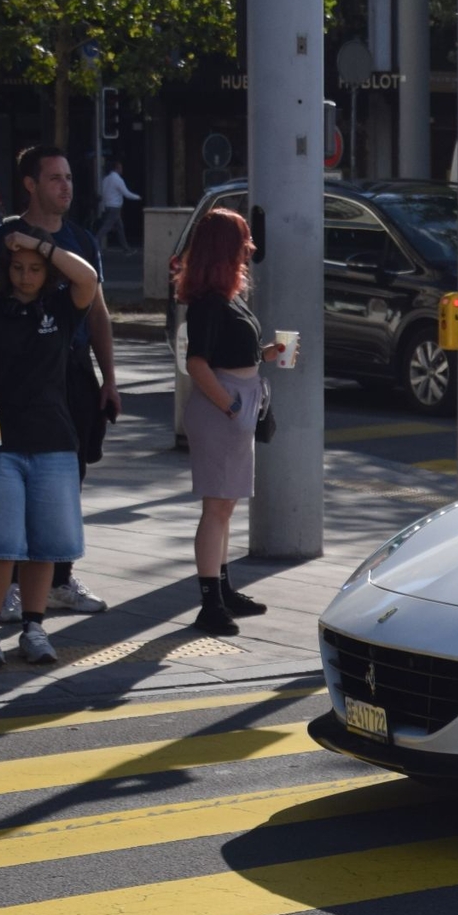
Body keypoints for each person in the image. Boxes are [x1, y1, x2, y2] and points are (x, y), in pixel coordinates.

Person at [0, 145, 119, 618]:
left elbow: (99, 311)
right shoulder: (1, 241)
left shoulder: (82, 240)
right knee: (6, 484)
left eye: (69, 178)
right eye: (54, 179)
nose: (66, 186)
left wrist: (108, 377)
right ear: (30, 184)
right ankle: (6, 590)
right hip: (18, 377)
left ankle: (58, 581)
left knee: (65, 481)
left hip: (71, 373)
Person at [0, 219, 102, 667]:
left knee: (45, 546)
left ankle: (34, 629)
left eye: (34, 268)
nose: (25, 276)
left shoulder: (61, 306)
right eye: (17, 267)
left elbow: (89, 278)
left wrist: (39, 243)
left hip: (54, 441)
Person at [174, 208, 290, 635]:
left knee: (225, 505)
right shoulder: (207, 303)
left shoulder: (227, 297)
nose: (251, 247)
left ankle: (222, 590)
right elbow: (198, 363)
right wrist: (230, 406)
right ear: (225, 247)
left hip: (234, 404)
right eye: (243, 239)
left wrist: (264, 355)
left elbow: (226, 353)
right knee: (217, 506)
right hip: (222, 408)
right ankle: (210, 601)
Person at [94, 161, 139, 253]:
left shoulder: (105, 179)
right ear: (117, 168)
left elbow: (103, 193)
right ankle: (94, 243)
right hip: (115, 207)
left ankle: (126, 248)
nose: (122, 170)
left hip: (108, 206)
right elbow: (126, 193)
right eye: (121, 168)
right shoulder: (118, 180)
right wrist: (138, 197)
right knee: (106, 227)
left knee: (119, 227)